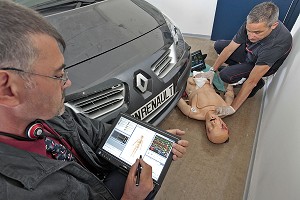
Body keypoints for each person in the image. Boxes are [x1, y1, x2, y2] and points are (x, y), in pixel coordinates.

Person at [0, 1, 188, 200]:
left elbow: (95, 131)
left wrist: (149, 140)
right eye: (57, 75)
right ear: (8, 89)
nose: (67, 82)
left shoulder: (43, 112)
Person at [207, 2, 292, 117]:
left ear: (274, 25)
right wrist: (212, 70)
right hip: (250, 52)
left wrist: (232, 108)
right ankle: (239, 69)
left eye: (257, 33)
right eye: (248, 31)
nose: (251, 36)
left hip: (261, 64)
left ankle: (257, 83)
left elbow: (251, 81)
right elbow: (230, 49)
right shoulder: (252, 24)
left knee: (226, 75)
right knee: (219, 45)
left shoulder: (276, 44)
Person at [177, 72, 234, 144]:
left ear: (206, 129)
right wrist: (232, 83)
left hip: (188, 78)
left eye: (210, 129)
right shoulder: (225, 109)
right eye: (220, 127)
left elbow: (176, 98)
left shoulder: (195, 113)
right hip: (207, 76)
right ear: (224, 125)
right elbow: (229, 95)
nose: (213, 123)